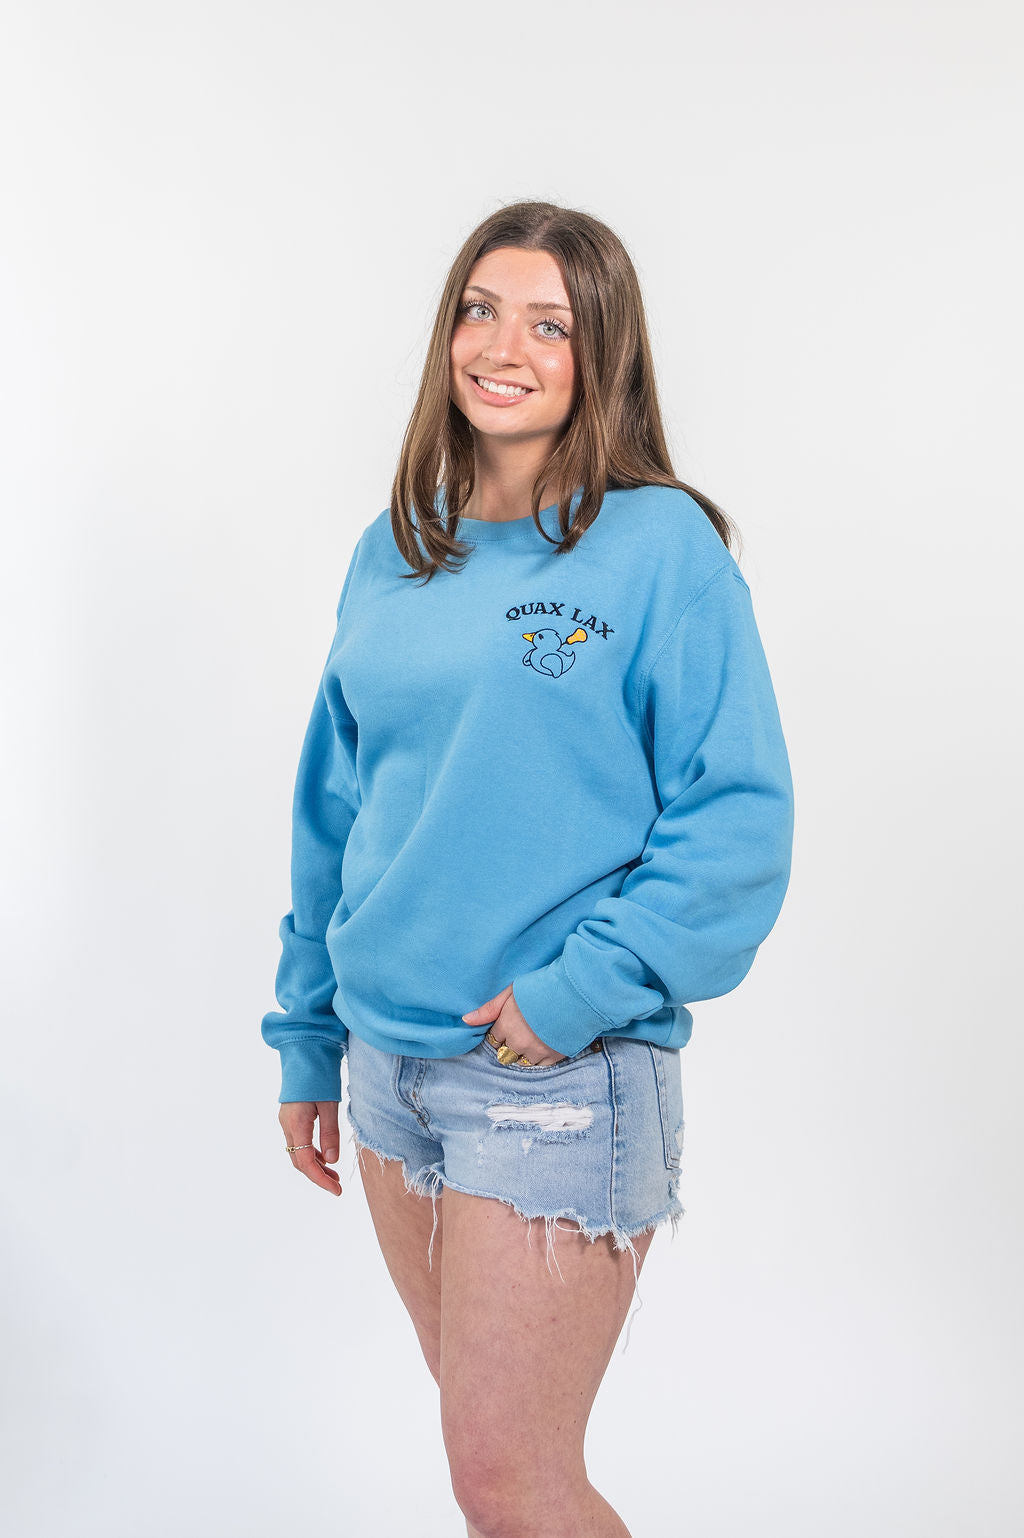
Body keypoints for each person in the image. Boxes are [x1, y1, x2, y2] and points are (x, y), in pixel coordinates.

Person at [261, 199, 795, 1538]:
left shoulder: (660, 548)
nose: (503, 347)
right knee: (492, 1474)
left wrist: (573, 995)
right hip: (388, 1074)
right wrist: (308, 1032)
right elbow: (336, 810)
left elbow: (737, 823)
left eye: (550, 324)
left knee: (511, 1482)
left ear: (602, 351)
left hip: (552, 1078)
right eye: (480, 310)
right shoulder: (395, 550)